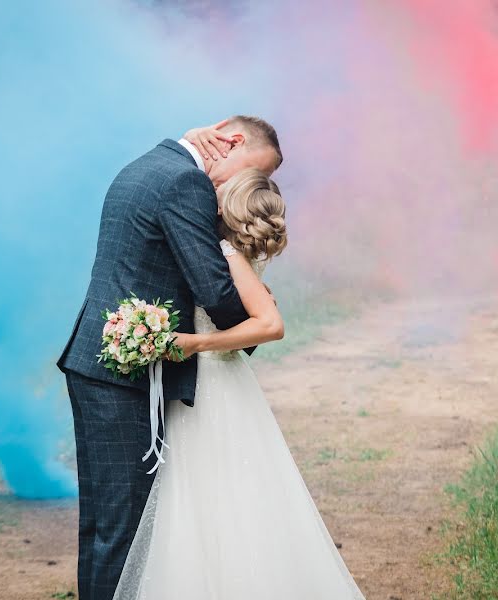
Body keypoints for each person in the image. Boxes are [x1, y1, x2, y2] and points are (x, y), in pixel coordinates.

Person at [113, 168, 366, 599]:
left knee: (219, 489)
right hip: (214, 382)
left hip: (216, 384)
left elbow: (271, 325)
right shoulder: (220, 253)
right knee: (205, 491)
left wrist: (198, 343)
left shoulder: (227, 252)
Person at [56, 116, 282, 599]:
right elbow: (212, 286)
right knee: (126, 527)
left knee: (105, 524)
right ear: (233, 141)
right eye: (250, 170)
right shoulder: (185, 181)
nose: (245, 185)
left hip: (101, 367)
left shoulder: (152, 163)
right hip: (120, 375)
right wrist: (254, 325)